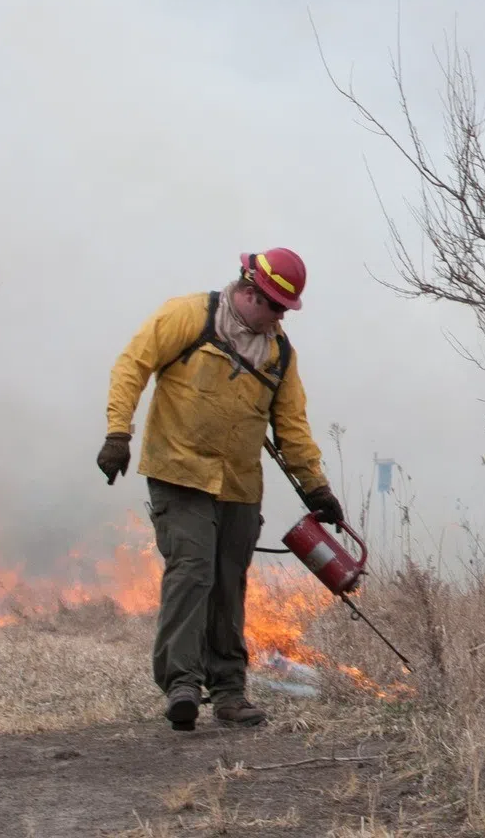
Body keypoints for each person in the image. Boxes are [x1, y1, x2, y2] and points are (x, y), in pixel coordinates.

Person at [97, 248, 344, 732]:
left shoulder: (279, 354)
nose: (277, 319)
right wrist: (116, 434)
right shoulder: (188, 315)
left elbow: (291, 426)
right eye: (273, 307)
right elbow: (132, 366)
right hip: (178, 472)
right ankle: (182, 685)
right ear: (250, 292)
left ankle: (229, 692)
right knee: (192, 571)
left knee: (229, 583)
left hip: (238, 485)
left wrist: (316, 488)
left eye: (284, 311)